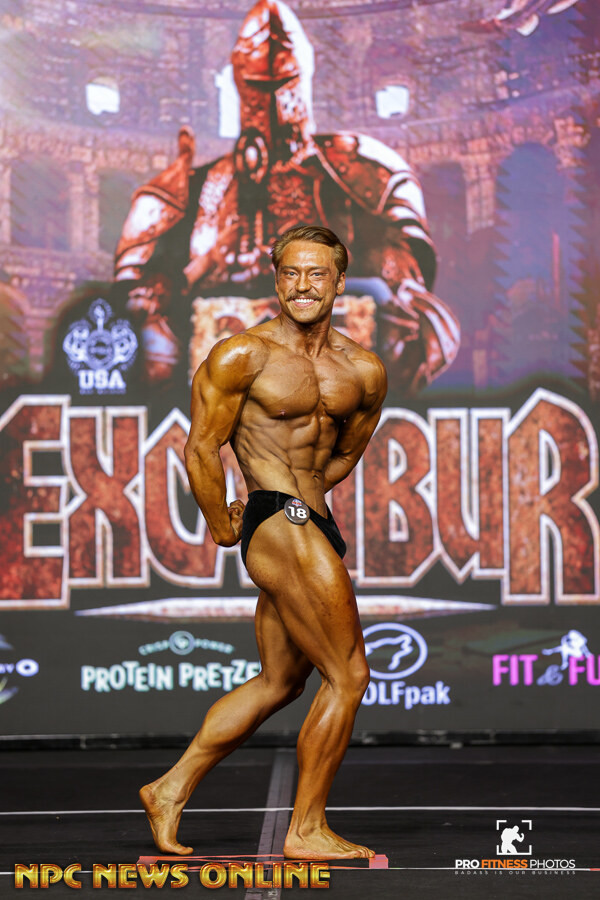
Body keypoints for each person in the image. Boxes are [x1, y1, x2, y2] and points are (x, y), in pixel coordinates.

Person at [139, 224, 387, 860]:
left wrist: (310, 495)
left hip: (313, 518)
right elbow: (201, 446)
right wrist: (226, 523)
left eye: (317, 273)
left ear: (338, 281)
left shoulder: (364, 370)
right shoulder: (241, 355)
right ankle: (305, 830)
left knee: (280, 681)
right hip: (278, 516)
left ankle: (169, 788)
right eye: (290, 273)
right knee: (349, 674)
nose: (303, 285)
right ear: (276, 280)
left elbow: (345, 452)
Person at [115, 0, 458, 389]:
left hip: (335, 365)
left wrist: (392, 282)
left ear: (302, 78)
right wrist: (177, 280)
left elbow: (405, 278)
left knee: (410, 330)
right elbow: (143, 293)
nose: (272, 103)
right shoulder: (205, 183)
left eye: (282, 84)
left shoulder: (360, 168)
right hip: (225, 365)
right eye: (258, 87)